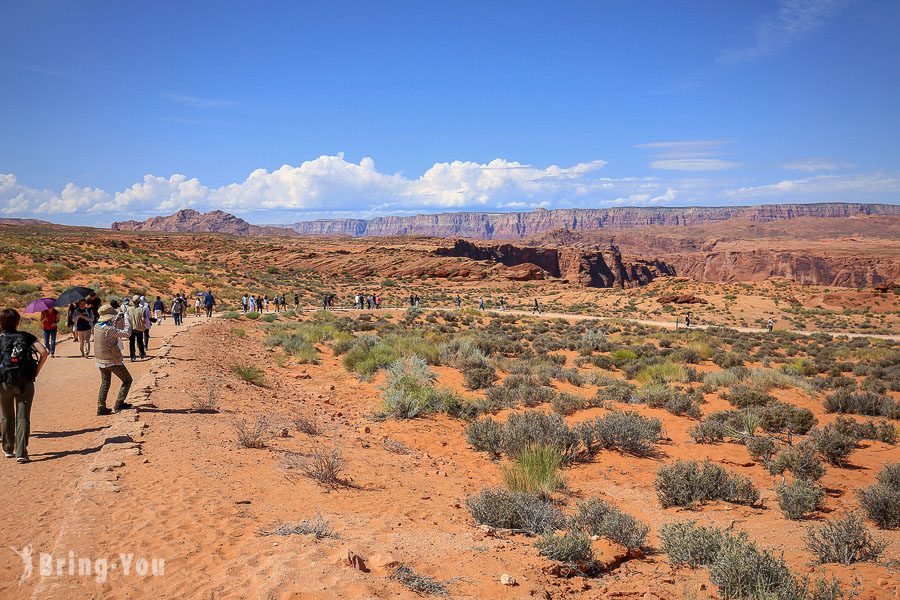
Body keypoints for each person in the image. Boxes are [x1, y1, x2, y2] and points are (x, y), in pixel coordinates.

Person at [0, 308, 49, 462]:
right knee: (23, 417)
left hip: (4, 382)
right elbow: (44, 352)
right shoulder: (26, 336)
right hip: (25, 381)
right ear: (17, 322)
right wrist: (36, 371)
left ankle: (8, 448)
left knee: (6, 416)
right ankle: (21, 452)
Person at [93, 304, 133, 415]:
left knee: (105, 382)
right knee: (127, 380)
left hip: (100, 360)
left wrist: (116, 321)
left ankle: (101, 407)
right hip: (112, 360)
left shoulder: (97, 326)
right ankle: (119, 403)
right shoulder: (109, 329)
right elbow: (127, 333)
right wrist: (127, 317)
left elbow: (110, 330)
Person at [127, 295, 147, 361]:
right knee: (140, 341)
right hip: (139, 328)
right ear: (139, 301)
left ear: (132, 301)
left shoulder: (129, 309)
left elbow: (127, 319)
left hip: (131, 328)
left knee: (131, 342)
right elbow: (144, 320)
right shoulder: (143, 309)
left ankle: (132, 356)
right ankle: (142, 354)